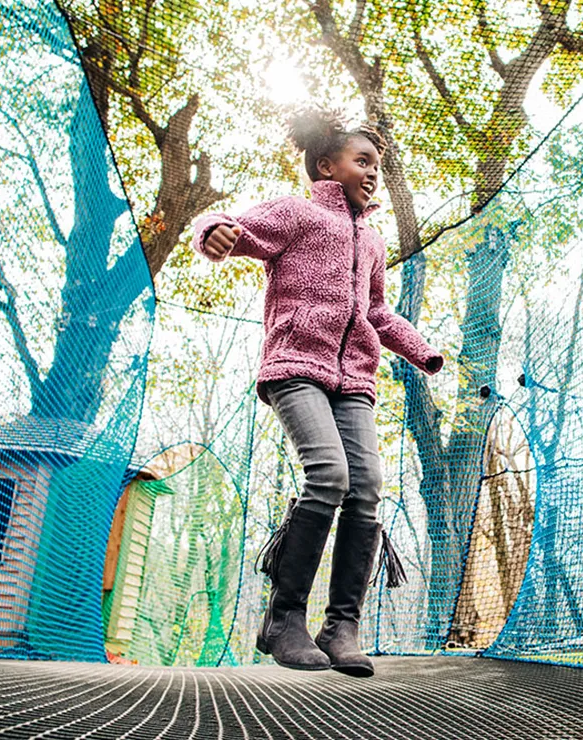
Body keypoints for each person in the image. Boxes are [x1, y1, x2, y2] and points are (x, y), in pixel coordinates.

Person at [191, 110, 443, 677]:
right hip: (295, 365)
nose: (373, 172)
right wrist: (214, 232)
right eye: (363, 161)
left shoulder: (373, 242)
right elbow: (234, 226)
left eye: (378, 165)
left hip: (353, 378)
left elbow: (376, 311)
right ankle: (283, 619)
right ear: (328, 166)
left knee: (367, 486)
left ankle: (342, 626)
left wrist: (418, 348)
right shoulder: (297, 214)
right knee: (329, 474)